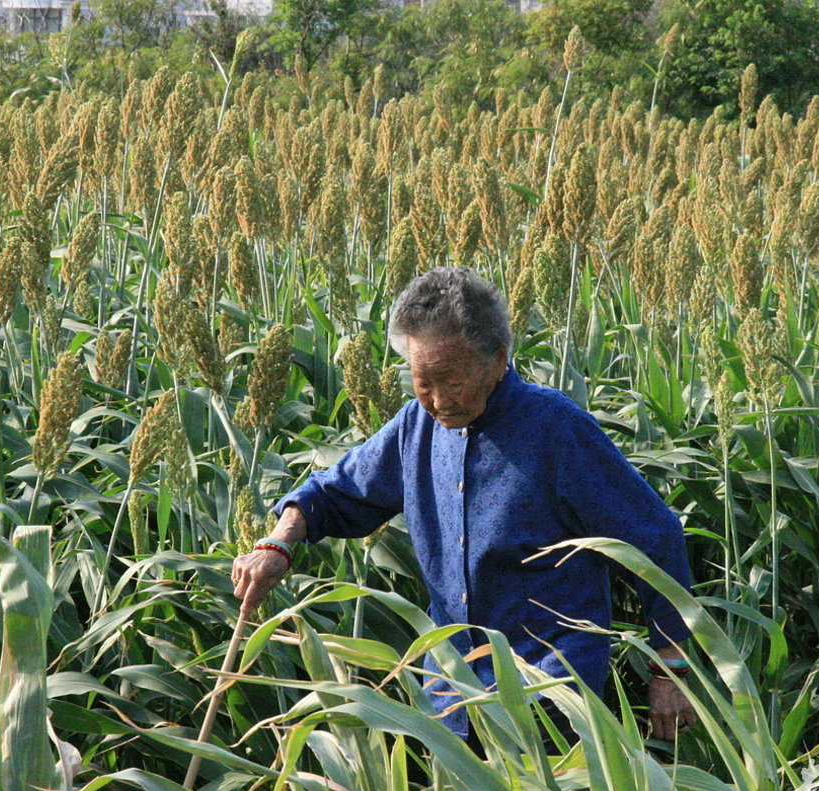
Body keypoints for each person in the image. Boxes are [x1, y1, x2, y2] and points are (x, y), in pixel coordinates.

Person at [232, 265, 697, 743]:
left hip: (551, 694)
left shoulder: (555, 429)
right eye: (422, 381)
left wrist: (670, 670)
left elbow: (653, 537)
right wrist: (278, 543)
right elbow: (335, 492)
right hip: (450, 692)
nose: (437, 400)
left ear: (497, 359)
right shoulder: (417, 425)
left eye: (451, 380)